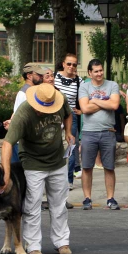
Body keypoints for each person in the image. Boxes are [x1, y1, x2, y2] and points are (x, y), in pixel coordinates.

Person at [0, 83, 74, 254]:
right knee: (33, 205)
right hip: (33, 162)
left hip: (57, 160)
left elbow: (69, 114)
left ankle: (62, 242)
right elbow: (7, 143)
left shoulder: (60, 100)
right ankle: (33, 245)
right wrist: (6, 172)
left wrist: (68, 132)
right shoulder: (23, 113)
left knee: (59, 204)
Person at [78, 59, 121, 210]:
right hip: (89, 132)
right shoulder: (84, 87)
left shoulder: (112, 85)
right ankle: (87, 198)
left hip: (108, 132)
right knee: (87, 167)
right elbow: (85, 109)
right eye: (96, 71)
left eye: (101, 70)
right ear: (90, 73)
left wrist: (94, 100)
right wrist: (104, 101)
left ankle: (110, 198)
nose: (99, 73)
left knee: (109, 167)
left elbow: (115, 105)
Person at [55, 54, 83, 190]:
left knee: (71, 147)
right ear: (63, 64)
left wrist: (82, 110)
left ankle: (69, 180)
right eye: (69, 64)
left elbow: (86, 96)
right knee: (54, 145)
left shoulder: (79, 81)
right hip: (54, 114)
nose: (71, 67)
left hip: (71, 114)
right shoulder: (54, 77)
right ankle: (54, 178)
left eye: (74, 64)